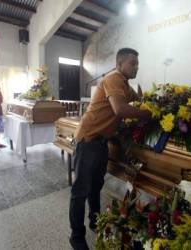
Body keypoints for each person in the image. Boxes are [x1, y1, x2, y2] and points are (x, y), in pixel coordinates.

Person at [69, 48, 152, 250]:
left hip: (101, 142)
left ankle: (95, 220)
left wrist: (149, 102)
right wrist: (147, 114)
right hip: (88, 139)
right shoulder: (113, 78)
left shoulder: (124, 84)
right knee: (80, 191)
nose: (136, 66)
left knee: (96, 185)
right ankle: (76, 236)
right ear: (119, 64)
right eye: (132, 63)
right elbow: (121, 109)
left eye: (137, 63)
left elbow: (136, 100)